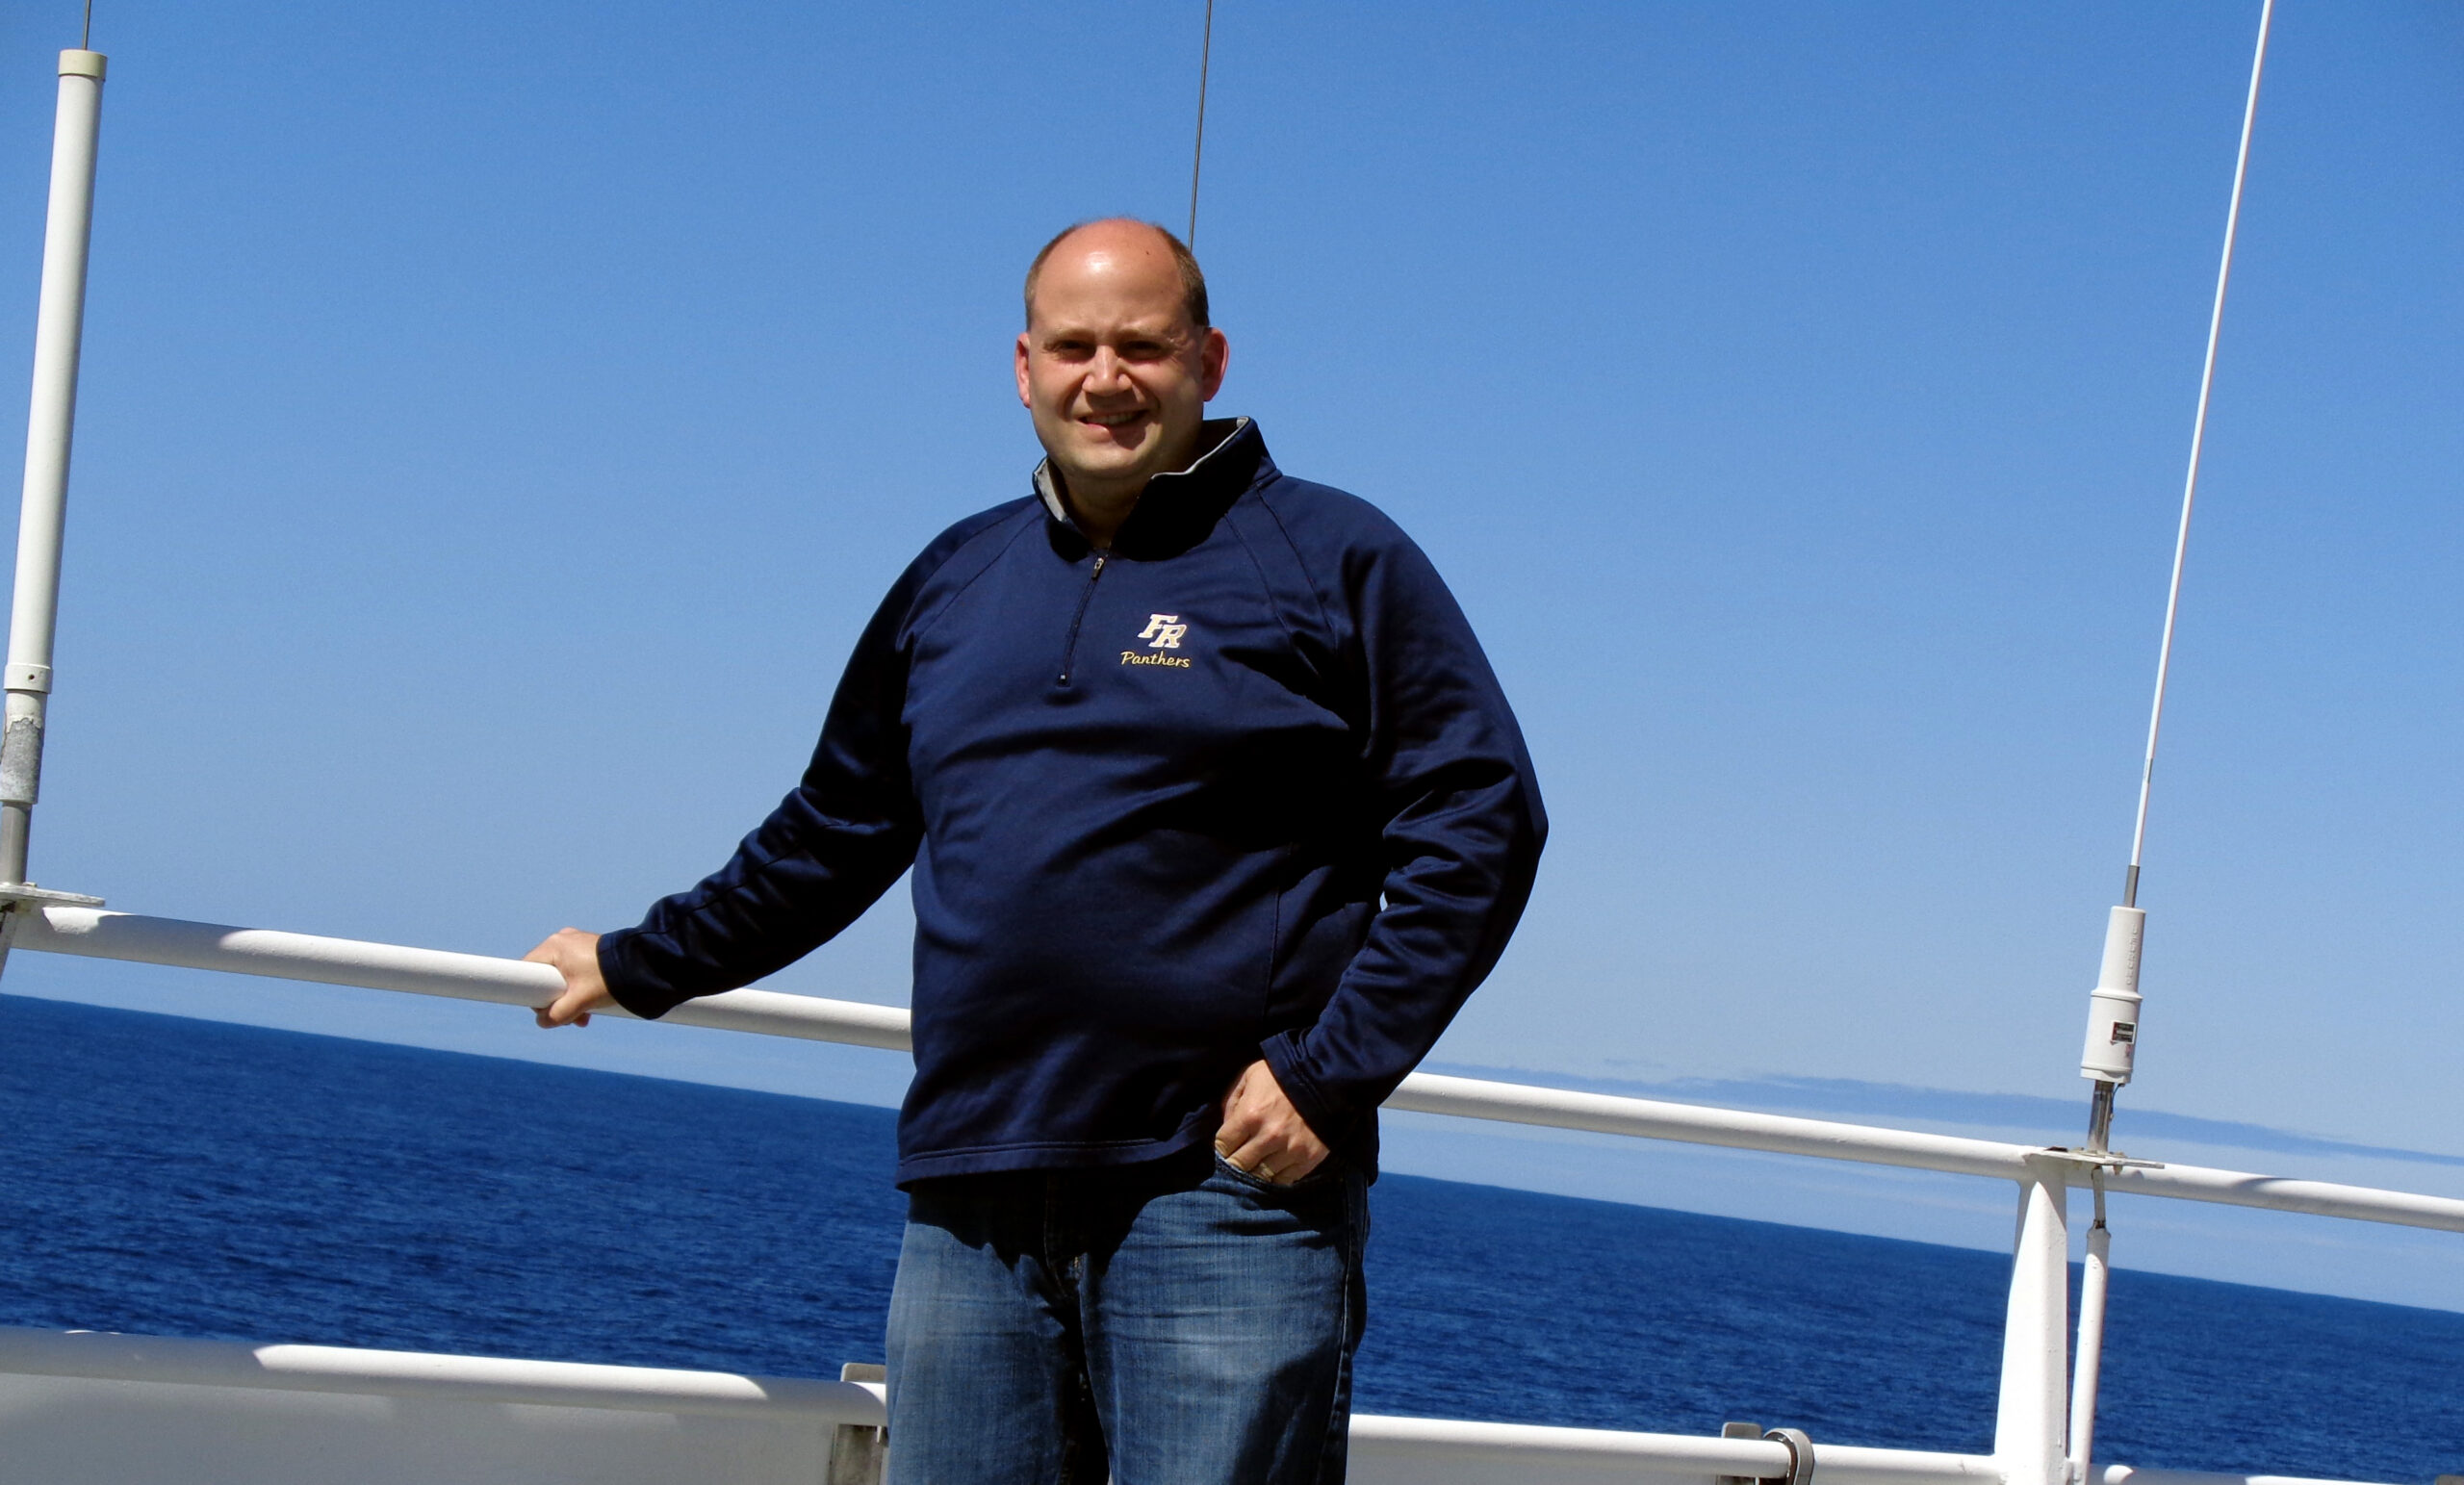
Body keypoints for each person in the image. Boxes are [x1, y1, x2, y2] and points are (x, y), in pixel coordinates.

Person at [525, 218, 1546, 1484]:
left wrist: (1333, 1075)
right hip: (973, 1190)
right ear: (1022, 366)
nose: (1104, 378)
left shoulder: (1334, 559)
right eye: (1073, 346)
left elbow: (1482, 818)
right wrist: (638, 962)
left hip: (1220, 1190)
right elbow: (836, 827)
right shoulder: (956, 578)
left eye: (1142, 346)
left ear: (1211, 360)